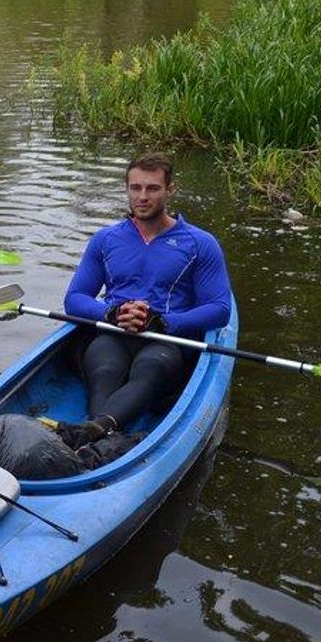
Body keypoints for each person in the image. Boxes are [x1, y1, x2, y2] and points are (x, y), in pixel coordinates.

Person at [59, 153, 233, 448]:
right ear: (126, 189)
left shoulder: (200, 243)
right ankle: (101, 433)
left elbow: (220, 309)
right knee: (104, 368)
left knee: (150, 367)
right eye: (135, 188)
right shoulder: (106, 239)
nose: (142, 197)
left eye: (152, 188)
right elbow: (74, 299)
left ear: (170, 190)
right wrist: (110, 313)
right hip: (115, 331)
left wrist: (163, 320)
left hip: (166, 338)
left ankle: (95, 429)